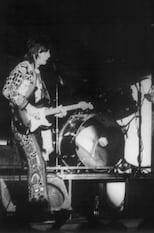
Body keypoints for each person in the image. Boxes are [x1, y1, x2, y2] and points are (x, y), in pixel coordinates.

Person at [2, 35, 71, 229]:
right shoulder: (24, 68)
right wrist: (28, 107)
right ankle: (37, 207)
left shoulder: (37, 73)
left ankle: (36, 207)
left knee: (39, 162)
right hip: (21, 125)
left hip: (32, 125)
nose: (49, 56)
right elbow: (8, 91)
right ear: (38, 52)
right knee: (36, 162)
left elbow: (41, 105)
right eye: (47, 52)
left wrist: (56, 111)